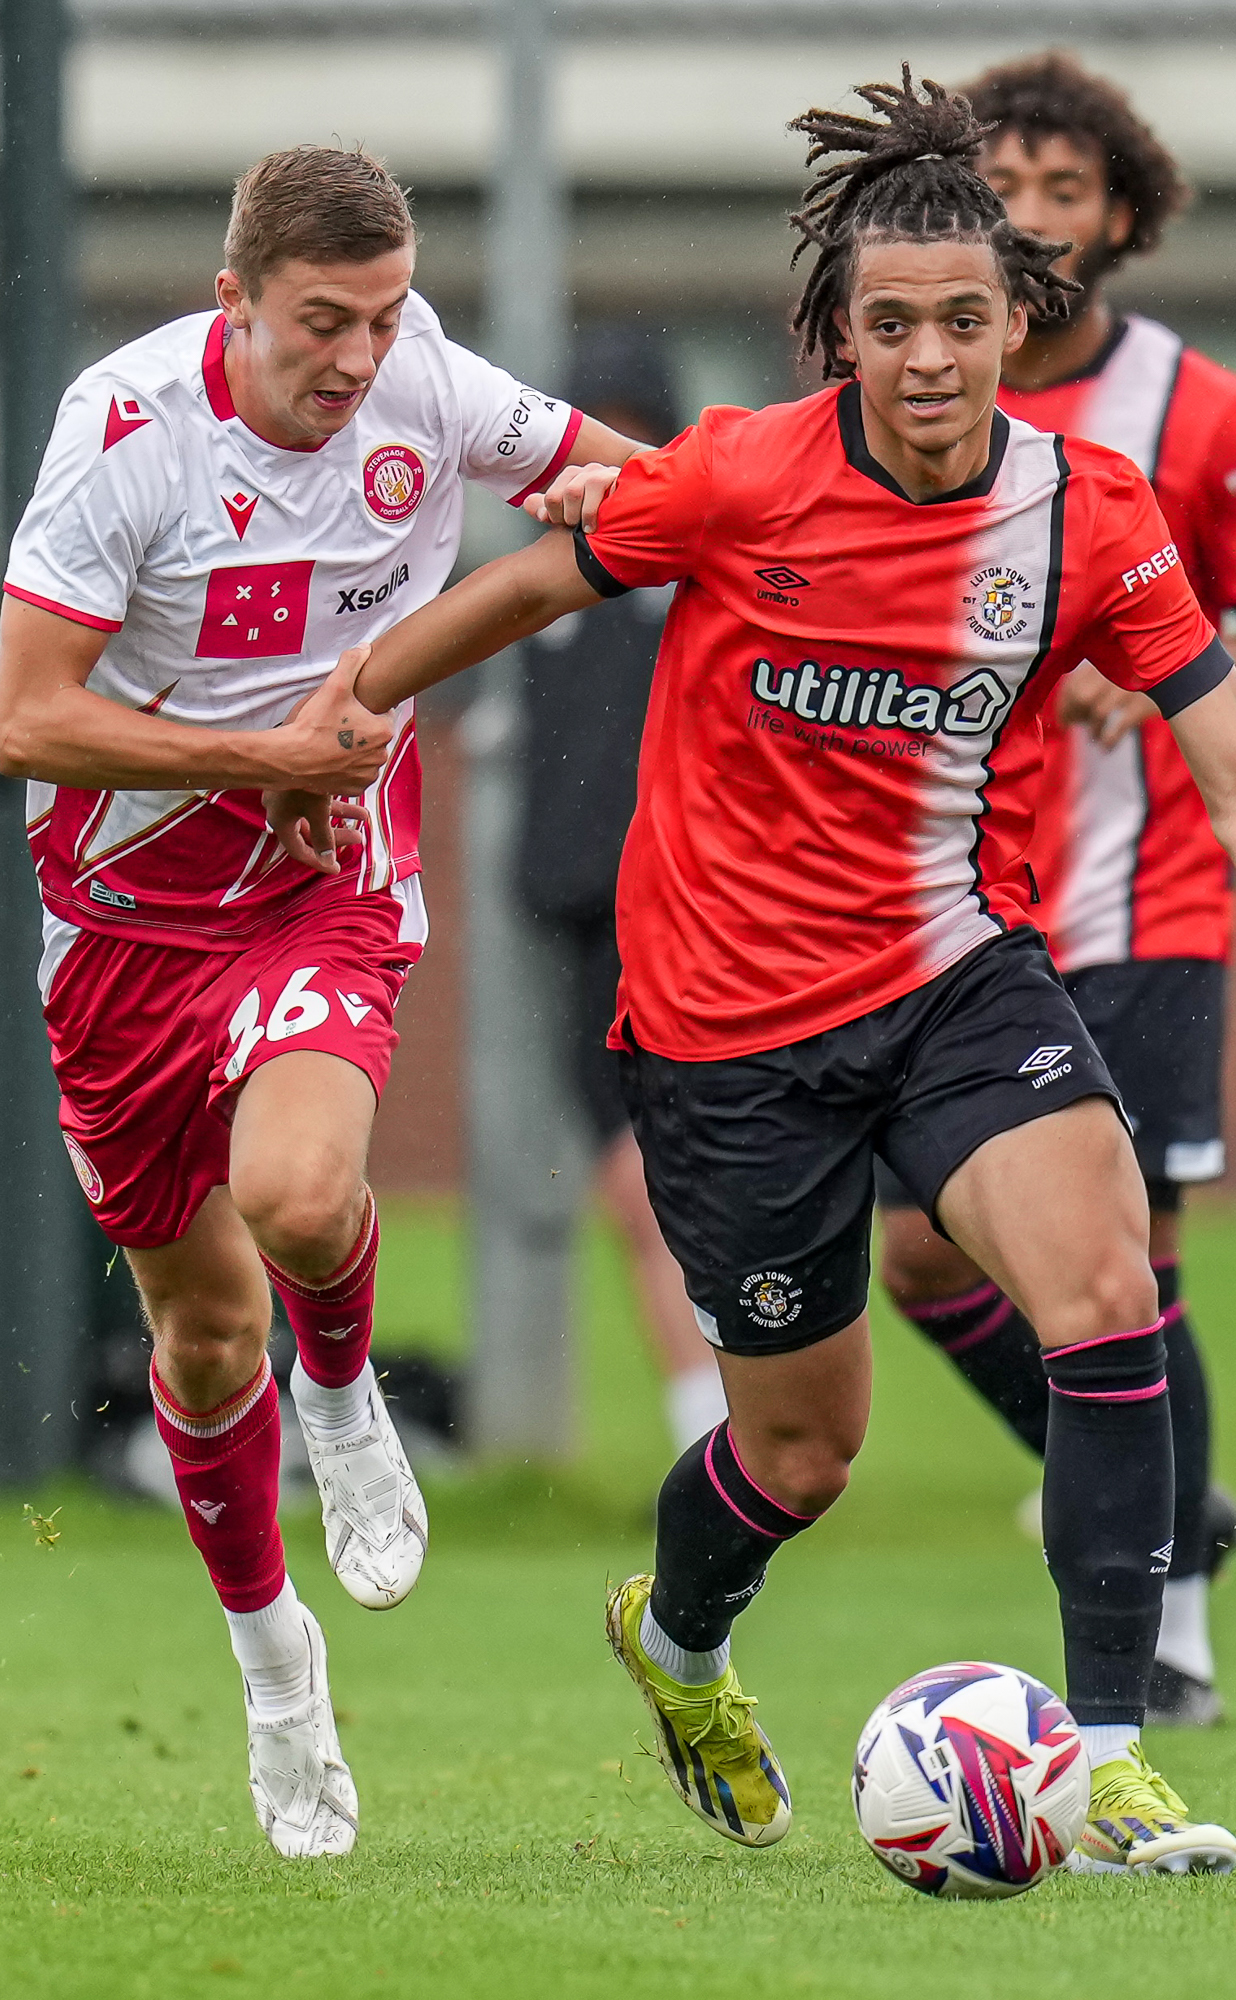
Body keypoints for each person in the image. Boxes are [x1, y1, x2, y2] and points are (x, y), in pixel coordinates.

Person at [333, 72, 1236, 1876]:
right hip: (729, 1037)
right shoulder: (744, 472)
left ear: (1016, 323)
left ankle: (1119, 1751)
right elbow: (520, 594)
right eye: (890, 325)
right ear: (841, 330)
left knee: (1107, 1286)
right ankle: (678, 1649)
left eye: (964, 322)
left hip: (967, 986)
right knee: (802, 1455)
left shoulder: (1094, 509)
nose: (927, 359)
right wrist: (344, 715)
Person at [0, 144, 640, 1859]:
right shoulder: (124, 436)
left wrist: (791, 519)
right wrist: (261, 751)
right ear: (235, 305)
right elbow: (26, 720)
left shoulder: (426, 377)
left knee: (298, 1193)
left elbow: (606, 478)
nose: (357, 359)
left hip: (319, 890)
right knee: (200, 1336)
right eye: (320, 325)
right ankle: (279, 1672)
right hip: (121, 920)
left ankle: (344, 1402)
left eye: (385, 313)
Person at [872, 52, 1236, 1730]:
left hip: (1139, 895)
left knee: (1132, 1267)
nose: (1032, 219)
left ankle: (1176, 1622)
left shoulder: (1196, 411)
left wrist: (1161, 669)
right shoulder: (914, 398)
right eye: (1002, 188)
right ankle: (1163, 1490)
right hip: (950, 912)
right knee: (924, 1260)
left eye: (1066, 192)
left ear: (1121, 218)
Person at [510, 324, 731, 1451]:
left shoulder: (697, 579)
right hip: (589, 932)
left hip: (691, 928)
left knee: (691, 1188)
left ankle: (738, 1429)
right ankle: (712, 1430)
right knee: (632, 1188)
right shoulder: (547, 587)